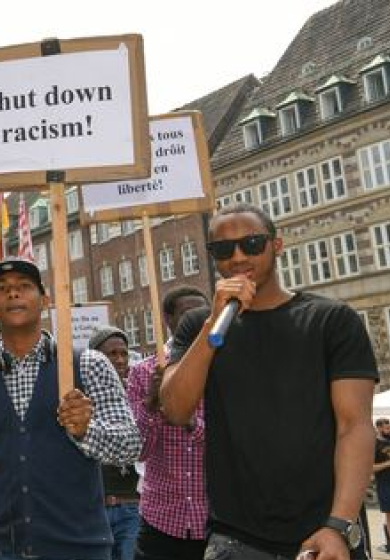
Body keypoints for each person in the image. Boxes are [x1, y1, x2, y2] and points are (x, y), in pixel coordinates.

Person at [161, 203, 377, 560]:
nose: (238, 256)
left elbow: (354, 426)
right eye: (223, 249)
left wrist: (339, 524)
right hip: (235, 537)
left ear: (276, 246)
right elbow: (175, 409)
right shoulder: (200, 325)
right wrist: (212, 322)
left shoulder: (331, 320)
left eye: (252, 243)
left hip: (322, 533)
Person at [0, 258, 141, 560]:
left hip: (79, 548)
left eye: (24, 287)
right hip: (2, 549)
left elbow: (130, 446)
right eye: (2, 289)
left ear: (45, 300)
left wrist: (86, 431)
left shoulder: (88, 364)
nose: (13, 294)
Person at [124, 286, 209, 560]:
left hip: (215, 521)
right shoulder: (143, 372)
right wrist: (152, 404)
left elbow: (231, 442)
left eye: (204, 314)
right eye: (187, 314)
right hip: (161, 519)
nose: (197, 321)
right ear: (168, 320)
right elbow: (139, 450)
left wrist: (183, 414)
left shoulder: (224, 366)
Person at [87, 326, 139, 560]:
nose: (119, 360)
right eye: (112, 354)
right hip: (94, 511)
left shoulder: (141, 395)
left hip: (132, 510)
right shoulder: (78, 401)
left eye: (123, 353)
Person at [374, 418, 390, 553]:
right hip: (385, 485)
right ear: (378, 428)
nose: (389, 430)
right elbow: (371, 468)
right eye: (387, 428)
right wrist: (388, 464)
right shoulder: (374, 444)